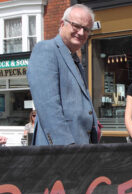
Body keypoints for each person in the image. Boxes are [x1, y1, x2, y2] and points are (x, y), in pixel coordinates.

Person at [27, 4, 99, 145]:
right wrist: (66, 149)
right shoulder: (46, 49)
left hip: (80, 147)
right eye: (76, 26)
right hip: (61, 151)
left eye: (86, 29)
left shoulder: (73, 58)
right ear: (62, 24)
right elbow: (48, 107)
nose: (81, 32)